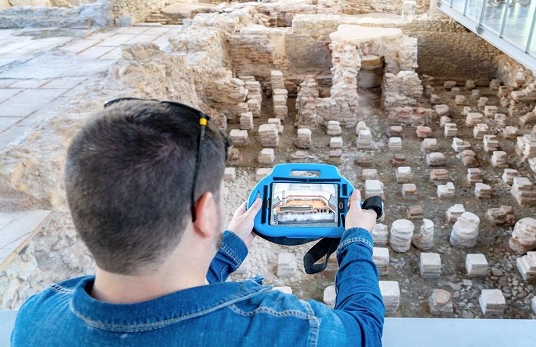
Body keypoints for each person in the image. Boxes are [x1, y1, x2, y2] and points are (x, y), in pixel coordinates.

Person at [11, 98, 384, 346]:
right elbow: (363, 329)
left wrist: (227, 251)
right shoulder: (281, 329)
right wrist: (356, 239)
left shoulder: (36, 317)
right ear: (206, 214)